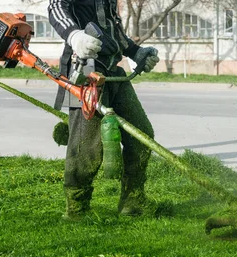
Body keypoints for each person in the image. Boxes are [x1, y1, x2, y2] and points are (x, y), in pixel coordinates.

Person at [48, 0, 160, 219]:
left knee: (141, 134)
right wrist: (75, 36)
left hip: (112, 71)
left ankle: (133, 201)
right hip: (83, 69)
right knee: (86, 146)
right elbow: (56, 7)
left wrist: (135, 51)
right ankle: (77, 208)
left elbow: (112, 28)